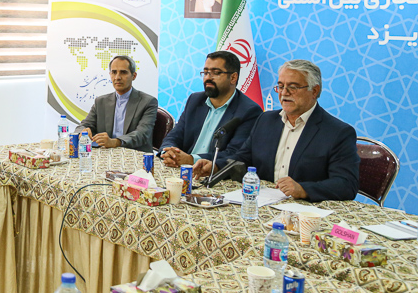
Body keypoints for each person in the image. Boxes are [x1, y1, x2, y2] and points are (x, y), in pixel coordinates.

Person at [193, 60, 360, 202]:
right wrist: (216, 166)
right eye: (280, 86)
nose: (284, 93)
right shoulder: (266, 120)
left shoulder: (338, 132)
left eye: (292, 87)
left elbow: (346, 184)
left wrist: (303, 189)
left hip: (305, 212)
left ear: (314, 91)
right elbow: (243, 158)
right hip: (262, 204)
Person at [160, 51, 262, 167]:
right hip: (182, 168)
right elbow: (174, 136)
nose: (208, 78)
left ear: (233, 78)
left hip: (214, 172)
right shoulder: (195, 100)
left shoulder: (249, 111)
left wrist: (191, 159)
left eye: (216, 73)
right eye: (205, 72)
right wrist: (169, 153)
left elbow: (234, 154)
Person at [76, 55, 157, 152]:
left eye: (123, 72)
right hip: (106, 155)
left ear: (134, 76)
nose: (117, 77)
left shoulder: (148, 102)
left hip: (136, 155)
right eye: (114, 72)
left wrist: (115, 142)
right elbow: (83, 125)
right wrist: (83, 131)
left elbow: (142, 134)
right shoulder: (100, 102)